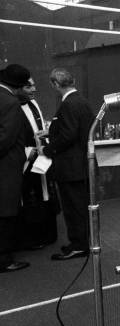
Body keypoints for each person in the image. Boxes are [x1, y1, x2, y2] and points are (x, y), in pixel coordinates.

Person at [42, 68, 94, 261]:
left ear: (55, 84)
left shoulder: (68, 104)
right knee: (80, 206)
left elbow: (68, 135)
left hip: (71, 167)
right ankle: (80, 243)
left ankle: (79, 246)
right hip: (80, 165)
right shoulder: (81, 101)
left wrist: (48, 149)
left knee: (74, 208)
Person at [16, 76, 59, 250]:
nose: (34, 90)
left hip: (41, 158)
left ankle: (47, 235)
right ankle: (31, 239)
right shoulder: (11, 108)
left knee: (45, 195)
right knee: (29, 198)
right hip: (24, 161)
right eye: (29, 87)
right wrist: (28, 152)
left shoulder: (33, 104)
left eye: (34, 85)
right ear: (18, 89)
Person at [0, 64, 31, 273]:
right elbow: (6, 139)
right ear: (18, 87)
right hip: (7, 167)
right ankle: (5, 260)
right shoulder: (11, 103)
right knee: (6, 212)